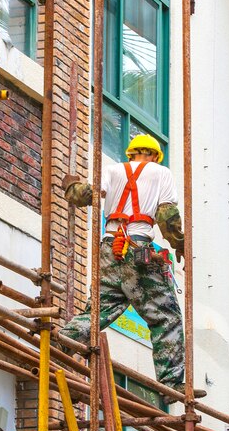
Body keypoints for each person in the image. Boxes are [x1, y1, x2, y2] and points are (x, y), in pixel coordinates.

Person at [59, 134, 205, 401]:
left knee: (99, 311)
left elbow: (85, 195)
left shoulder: (113, 170)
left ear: (132, 153)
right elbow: (166, 215)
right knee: (165, 317)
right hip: (137, 250)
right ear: (154, 156)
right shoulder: (161, 173)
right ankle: (171, 384)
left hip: (108, 250)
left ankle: (63, 342)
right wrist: (179, 243)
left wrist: (71, 186)